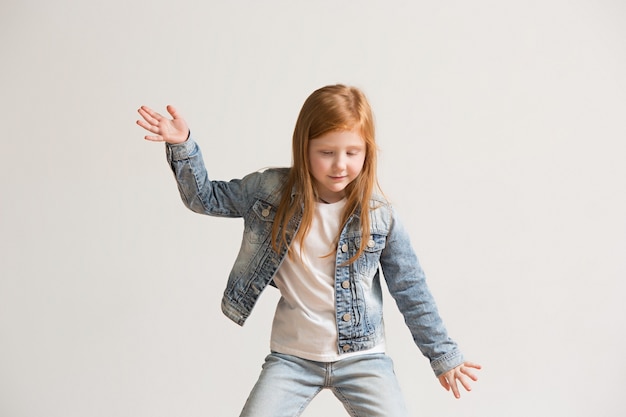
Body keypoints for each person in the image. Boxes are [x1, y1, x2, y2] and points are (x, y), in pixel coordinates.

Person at [136, 84, 480, 417]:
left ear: (367, 151)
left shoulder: (379, 217)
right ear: (305, 148)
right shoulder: (271, 191)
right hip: (292, 358)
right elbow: (206, 198)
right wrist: (183, 146)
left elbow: (411, 289)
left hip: (363, 357)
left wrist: (443, 356)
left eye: (352, 152)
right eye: (326, 153)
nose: (339, 165)